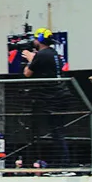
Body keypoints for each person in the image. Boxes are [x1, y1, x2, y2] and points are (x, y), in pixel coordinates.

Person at [20, 28, 70, 168]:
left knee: (57, 132)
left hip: (53, 97)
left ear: (40, 40)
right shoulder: (53, 53)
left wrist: (31, 59)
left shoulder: (41, 55)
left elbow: (27, 73)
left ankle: (64, 164)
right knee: (57, 131)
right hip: (59, 95)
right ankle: (60, 162)